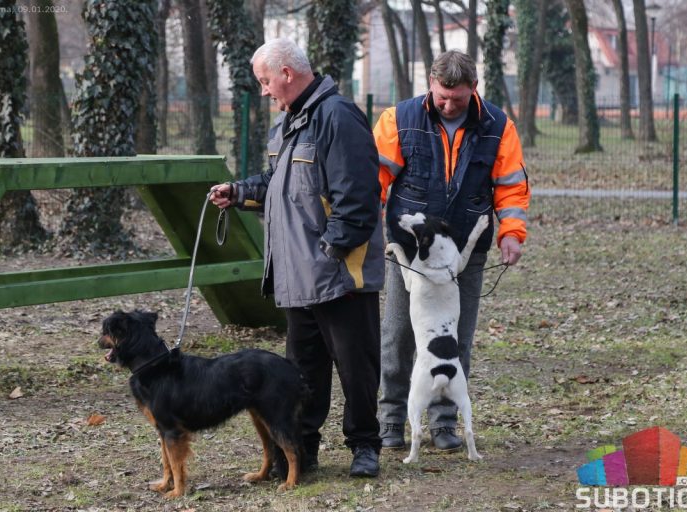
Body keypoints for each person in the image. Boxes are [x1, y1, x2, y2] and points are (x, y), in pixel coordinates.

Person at [209, 38, 384, 478]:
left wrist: (332, 250)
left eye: (266, 81)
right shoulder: (288, 122)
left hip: (338, 274)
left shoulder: (338, 116)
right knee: (302, 373)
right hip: (294, 274)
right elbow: (278, 181)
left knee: (356, 367)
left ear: (287, 73)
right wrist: (240, 192)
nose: (265, 91)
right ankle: (301, 453)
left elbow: (359, 197)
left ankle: (365, 446)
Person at [373, 50, 530, 451]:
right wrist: (371, 219)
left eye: (456, 99)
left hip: (465, 254)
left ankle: (445, 423)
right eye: (441, 96)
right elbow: (376, 174)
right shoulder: (399, 119)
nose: (447, 105)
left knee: (457, 339)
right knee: (398, 336)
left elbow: (510, 186)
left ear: (473, 89)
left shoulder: (498, 125)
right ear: (430, 83)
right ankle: (390, 418)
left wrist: (512, 232)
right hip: (410, 253)